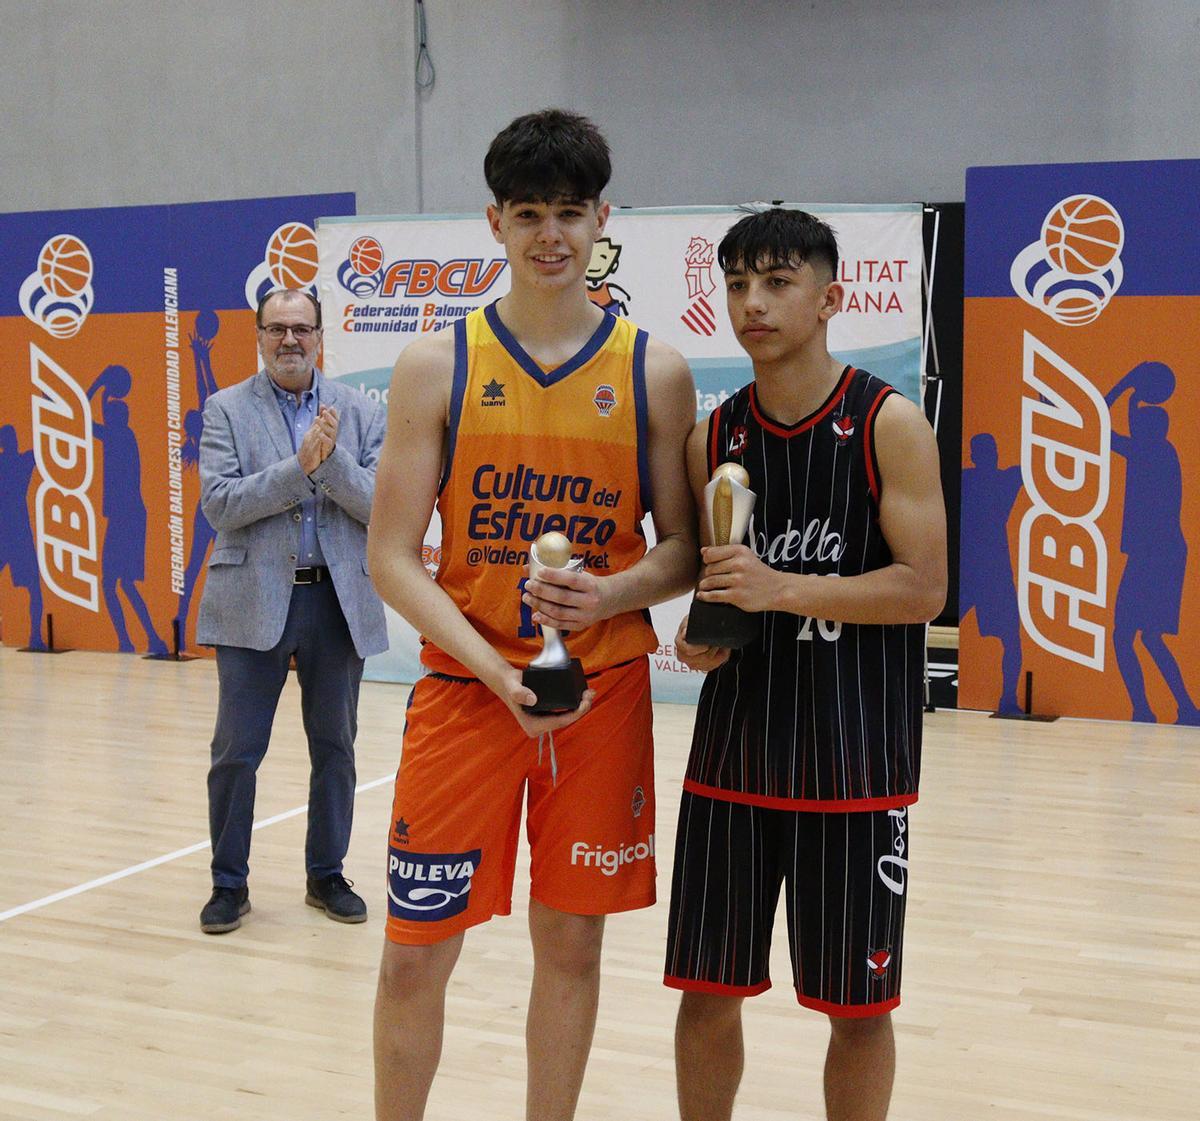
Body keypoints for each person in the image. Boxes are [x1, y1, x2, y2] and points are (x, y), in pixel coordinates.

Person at [368, 108, 697, 1121]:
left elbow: (684, 549)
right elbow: (390, 555)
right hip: (468, 696)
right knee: (415, 955)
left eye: (569, 212)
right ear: (493, 222)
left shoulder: (653, 370)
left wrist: (609, 593)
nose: (550, 234)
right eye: (528, 214)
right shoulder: (437, 365)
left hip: (601, 698)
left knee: (573, 947)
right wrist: (501, 673)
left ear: (603, 219)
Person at [664, 208, 946, 1121]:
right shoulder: (712, 439)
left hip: (855, 769)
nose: (753, 301)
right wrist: (703, 638)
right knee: (706, 992)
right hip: (733, 765)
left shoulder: (888, 423)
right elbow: (718, 589)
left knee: (858, 1010)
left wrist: (783, 587)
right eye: (738, 283)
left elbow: (923, 589)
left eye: (777, 282)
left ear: (829, 298)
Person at [196, 288, 388, 934]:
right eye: (276, 328)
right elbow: (221, 504)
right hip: (252, 598)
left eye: (301, 328)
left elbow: (380, 505)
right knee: (235, 751)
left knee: (336, 746)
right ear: (258, 335)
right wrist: (298, 469)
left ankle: (326, 873)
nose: (289, 340)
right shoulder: (224, 409)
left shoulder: (358, 412)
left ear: (320, 335)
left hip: (337, 600)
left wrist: (329, 463)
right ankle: (229, 883)